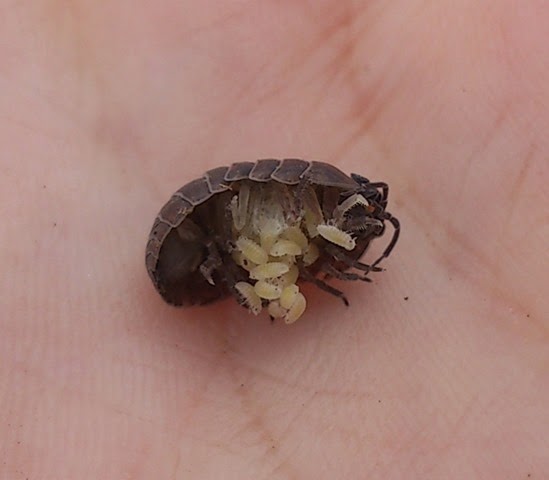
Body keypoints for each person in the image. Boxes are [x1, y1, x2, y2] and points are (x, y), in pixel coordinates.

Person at [1, 2, 547, 478]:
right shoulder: (258, 209)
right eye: (359, 212)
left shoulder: (316, 222)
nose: (367, 223)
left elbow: (312, 255)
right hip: (192, 232)